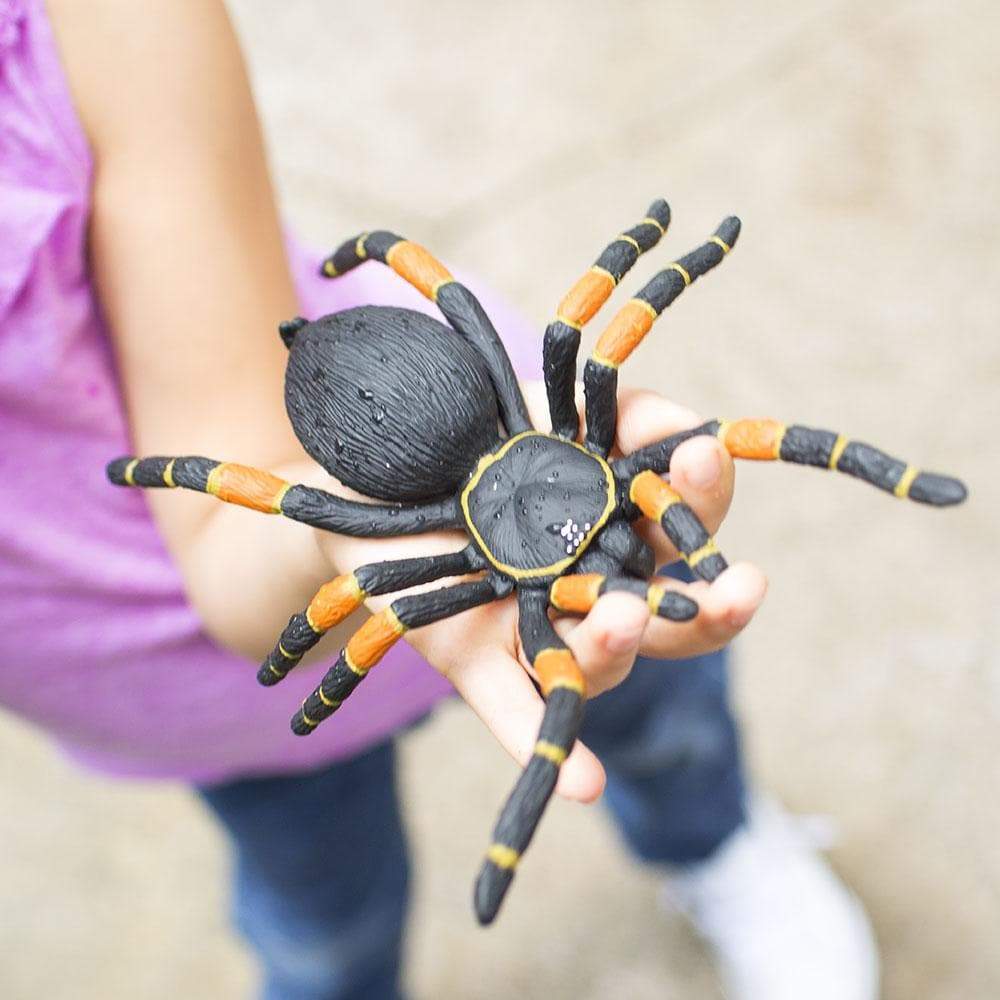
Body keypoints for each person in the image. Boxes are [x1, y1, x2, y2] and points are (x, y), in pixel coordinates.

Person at [0, 1, 878, 997]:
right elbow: (321, 558)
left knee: (643, 658)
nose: (597, 554)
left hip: (398, 475)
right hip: (187, 695)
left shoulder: (99, 28)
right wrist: (319, 664)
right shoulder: (408, 568)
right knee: (326, 914)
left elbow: (589, 322)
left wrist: (668, 273)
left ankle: (713, 841)